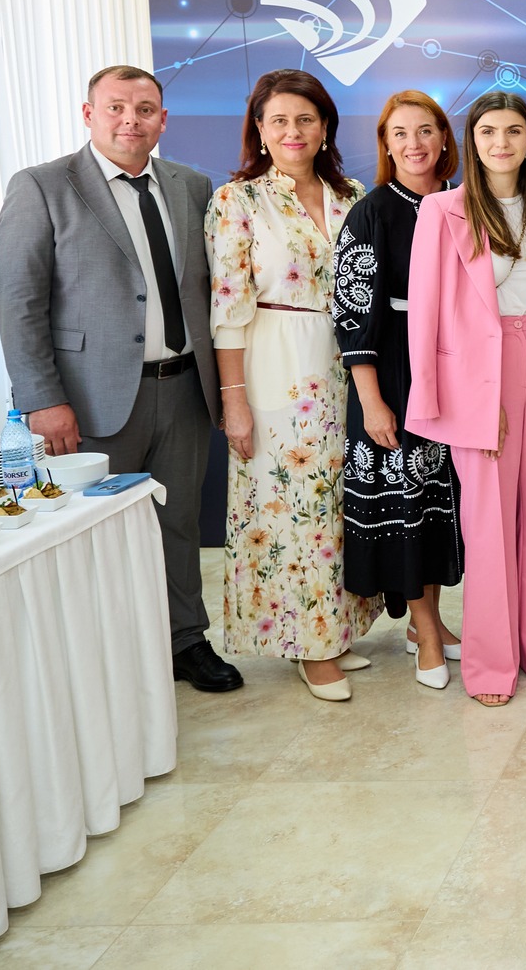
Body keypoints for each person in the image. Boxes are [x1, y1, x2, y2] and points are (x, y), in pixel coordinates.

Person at [0, 65, 240, 693]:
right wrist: (42, 399)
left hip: (184, 389)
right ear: (89, 113)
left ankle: (186, 641)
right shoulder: (42, 186)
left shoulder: (192, 186)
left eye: (145, 109)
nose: (131, 120)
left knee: (179, 522)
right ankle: (102, 659)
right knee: (92, 534)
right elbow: (19, 303)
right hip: (88, 399)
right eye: (116, 107)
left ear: (163, 119)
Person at [206, 69, 377, 702]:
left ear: (325, 126)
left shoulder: (352, 193)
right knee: (290, 503)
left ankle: (337, 627)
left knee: (339, 502)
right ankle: (308, 644)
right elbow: (227, 306)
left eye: (305, 118)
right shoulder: (238, 200)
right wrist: (234, 401)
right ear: (259, 129)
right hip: (276, 363)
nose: (293, 131)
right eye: (278, 120)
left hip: (350, 362)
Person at [407, 92, 526, 707]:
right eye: (487, 132)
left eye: (512, 131)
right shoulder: (443, 209)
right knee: (488, 523)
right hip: (480, 372)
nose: (500, 142)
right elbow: (425, 311)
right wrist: (447, 400)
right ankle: (489, 665)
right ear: (472, 141)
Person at [333, 91, 465, 691]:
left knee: (438, 505)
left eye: (426, 131)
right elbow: (352, 312)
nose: (415, 144)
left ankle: (427, 619)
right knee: (407, 508)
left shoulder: (461, 203)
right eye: (400, 133)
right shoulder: (372, 211)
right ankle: (427, 634)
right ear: (386, 144)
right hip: (394, 374)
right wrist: (372, 400)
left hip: (453, 371)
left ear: (444, 139)